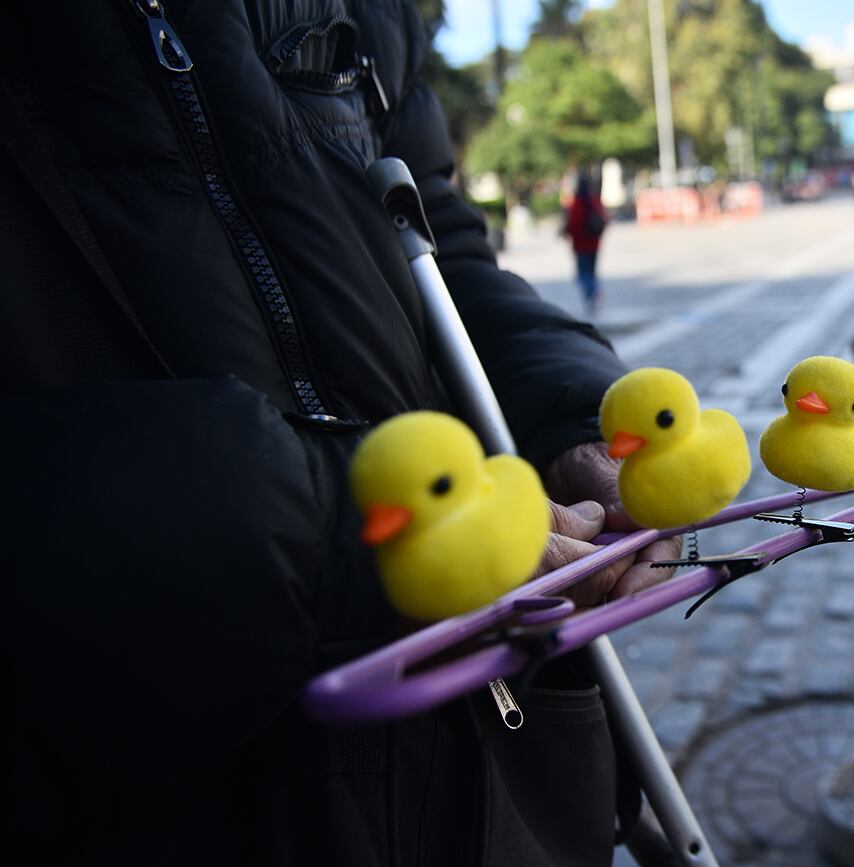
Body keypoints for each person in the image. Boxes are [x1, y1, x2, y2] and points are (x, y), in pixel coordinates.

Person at [1, 2, 677, 864]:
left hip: (468, 752)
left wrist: (577, 416)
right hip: (130, 768)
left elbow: (438, 240)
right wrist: (327, 530)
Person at [564, 171, 607, 317]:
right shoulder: (594, 200)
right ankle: (593, 293)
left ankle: (592, 292)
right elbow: (603, 219)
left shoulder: (576, 202)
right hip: (594, 243)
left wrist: (566, 232)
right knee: (591, 271)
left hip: (580, 244)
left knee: (582, 273)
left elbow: (573, 224)